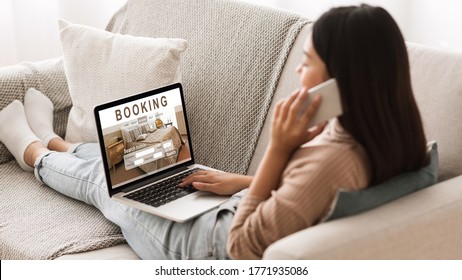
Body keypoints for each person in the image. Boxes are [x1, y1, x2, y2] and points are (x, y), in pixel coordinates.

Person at [0, 4, 428, 260]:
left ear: (341, 76)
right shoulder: (389, 135)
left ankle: (33, 149)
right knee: (144, 163)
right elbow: (318, 192)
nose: (299, 70)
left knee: (107, 184)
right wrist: (242, 181)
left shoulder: (334, 156)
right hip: (240, 204)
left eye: (308, 60)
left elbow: (241, 250)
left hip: (205, 245)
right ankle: (63, 144)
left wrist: (278, 149)